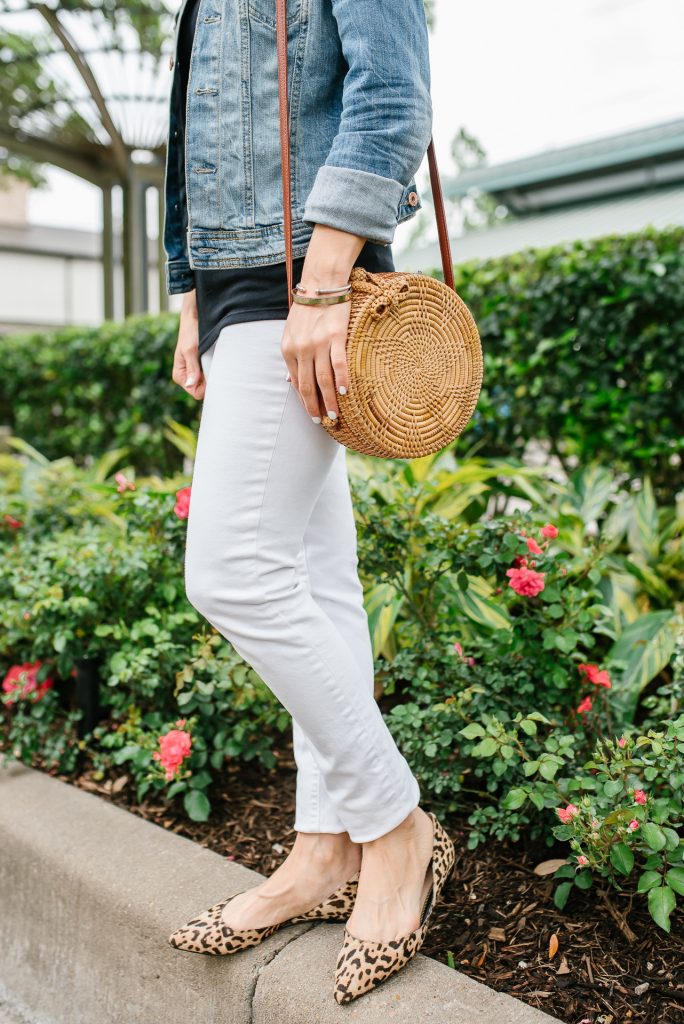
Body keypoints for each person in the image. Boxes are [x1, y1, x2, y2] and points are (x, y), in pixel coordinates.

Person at [163, 0, 455, 1003]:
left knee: (233, 571)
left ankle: (394, 824)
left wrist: (328, 277)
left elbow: (392, 84)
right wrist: (192, 294)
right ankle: (321, 850)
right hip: (238, 277)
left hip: (303, 270)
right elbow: (199, 129)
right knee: (317, 581)